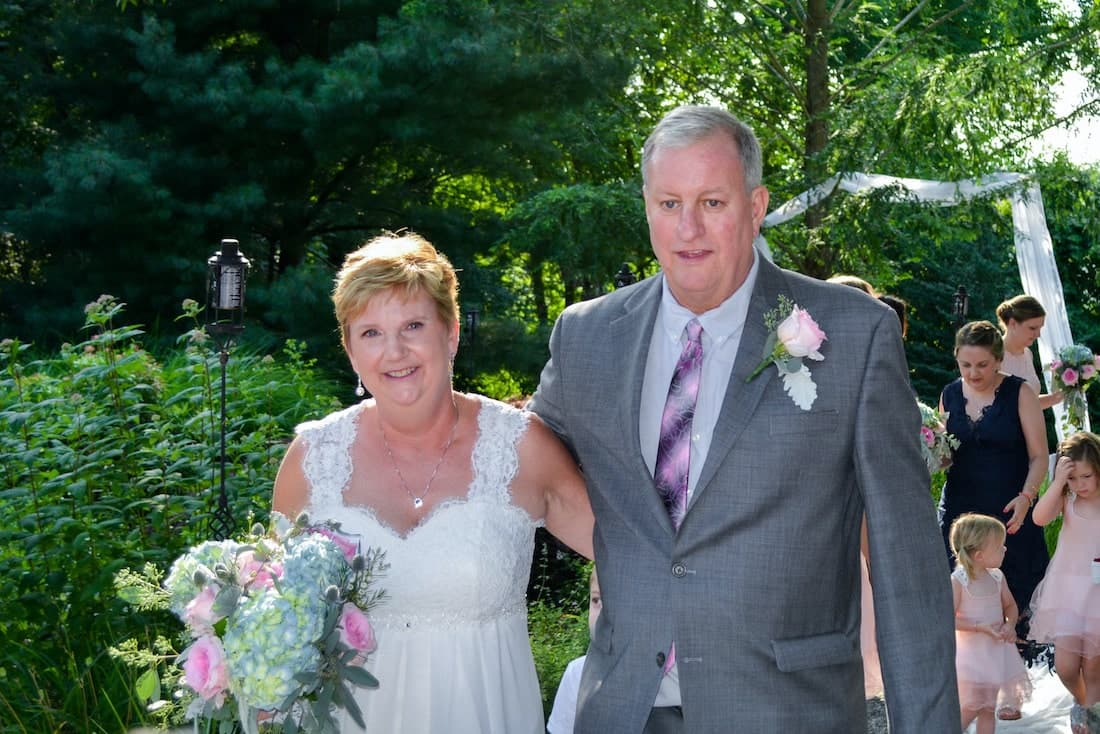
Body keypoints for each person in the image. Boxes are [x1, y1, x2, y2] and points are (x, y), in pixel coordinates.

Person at [528, 104, 959, 733]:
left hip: (787, 710)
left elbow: (906, 562)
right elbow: (513, 467)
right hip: (623, 710)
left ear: (755, 207)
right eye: (669, 203)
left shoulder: (854, 334)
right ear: (646, 206)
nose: (688, 228)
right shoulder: (586, 336)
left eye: (713, 202)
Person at [271, 232, 594, 733]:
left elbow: (632, 555)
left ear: (451, 333)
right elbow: (277, 622)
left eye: (413, 325)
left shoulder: (520, 448)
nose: (394, 351)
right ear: (351, 351)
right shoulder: (312, 461)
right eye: (371, 333)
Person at [939, 320, 1050, 642]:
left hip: (1009, 511)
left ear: (999, 360)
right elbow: (947, 454)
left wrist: (1027, 496)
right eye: (965, 365)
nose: (973, 373)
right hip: (962, 514)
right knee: (965, 605)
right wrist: (929, 454)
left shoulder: (1020, 393)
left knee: (1015, 604)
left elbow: (1039, 456)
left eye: (982, 365)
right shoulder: (949, 394)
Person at [1029, 431, 1100, 734]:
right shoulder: (1067, 498)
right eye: (1074, 479)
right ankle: (1083, 703)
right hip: (1068, 590)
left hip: (1098, 592)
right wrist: (1058, 483)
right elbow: (1039, 519)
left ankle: (1094, 720)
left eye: (1087, 477)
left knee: (1095, 666)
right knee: (1068, 666)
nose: (1080, 485)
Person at [948, 513, 1033, 733]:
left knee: (988, 708)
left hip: (995, 654)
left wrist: (1010, 624)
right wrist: (980, 628)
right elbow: (948, 619)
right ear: (978, 555)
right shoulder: (959, 581)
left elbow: (1010, 607)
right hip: (970, 658)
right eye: (999, 547)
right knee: (969, 708)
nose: (1005, 550)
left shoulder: (997, 577)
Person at [546, 568, 602, 734]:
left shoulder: (666, 680)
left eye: (617, 603)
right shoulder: (577, 673)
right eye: (596, 600)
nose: (603, 615)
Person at [996, 294, 1064, 410]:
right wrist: (1054, 399)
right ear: (1012, 323)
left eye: (1040, 328)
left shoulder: (1027, 354)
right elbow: (1009, 407)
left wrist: (1059, 396)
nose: (1038, 335)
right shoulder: (992, 356)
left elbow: (1031, 402)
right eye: (1032, 328)